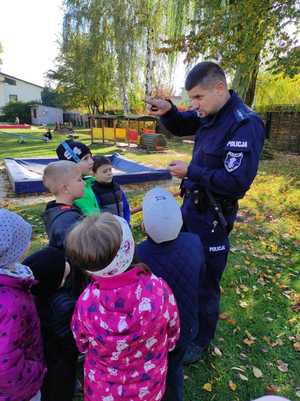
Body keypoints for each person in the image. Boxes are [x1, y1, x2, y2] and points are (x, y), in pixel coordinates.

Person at [147, 61, 265, 364]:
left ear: (219, 88)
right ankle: (181, 322)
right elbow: (182, 123)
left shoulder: (244, 123)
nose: (194, 105)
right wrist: (168, 111)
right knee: (184, 266)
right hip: (192, 207)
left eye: (198, 98)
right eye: (191, 98)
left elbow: (236, 182)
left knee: (206, 280)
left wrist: (192, 171)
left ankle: (200, 339)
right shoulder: (209, 112)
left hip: (213, 215)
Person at [66, 213, 180, 401]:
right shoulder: (158, 289)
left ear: (87, 268)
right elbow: (173, 329)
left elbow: (81, 342)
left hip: (103, 390)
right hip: (149, 384)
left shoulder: (86, 302)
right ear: (130, 248)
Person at [137, 187, 206, 401]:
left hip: (154, 329)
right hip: (185, 323)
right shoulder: (194, 242)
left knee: (154, 366)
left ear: (145, 225)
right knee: (174, 366)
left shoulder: (139, 254)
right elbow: (201, 276)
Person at [0, 209, 45, 401]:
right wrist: (34, 373)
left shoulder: (11, 278)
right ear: (11, 251)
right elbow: (5, 363)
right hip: (18, 390)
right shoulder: (11, 302)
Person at [24, 246, 78, 401]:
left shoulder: (34, 296)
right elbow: (71, 340)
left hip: (43, 354)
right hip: (61, 357)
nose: (67, 262)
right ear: (59, 281)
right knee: (61, 388)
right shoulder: (66, 306)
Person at [42, 160, 84, 249]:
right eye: (79, 179)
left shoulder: (55, 210)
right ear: (65, 188)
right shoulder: (66, 221)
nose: (84, 183)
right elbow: (75, 250)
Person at [56, 140, 100, 216]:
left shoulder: (87, 184)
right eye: (85, 158)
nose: (92, 161)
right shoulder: (74, 191)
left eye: (91, 157)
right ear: (72, 164)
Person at [92, 155, 130, 224]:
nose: (109, 173)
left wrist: (127, 222)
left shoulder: (117, 187)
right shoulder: (94, 191)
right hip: (107, 230)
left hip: (123, 226)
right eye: (105, 171)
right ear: (94, 174)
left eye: (110, 170)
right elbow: (95, 214)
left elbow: (125, 207)